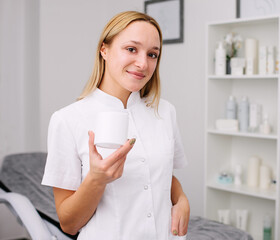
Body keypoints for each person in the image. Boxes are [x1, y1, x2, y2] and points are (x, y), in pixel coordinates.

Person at [42, 11, 190, 240]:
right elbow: (69, 224)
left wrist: (181, 200)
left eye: (152, 54)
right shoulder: (68, 120)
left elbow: (162, 174)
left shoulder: (165, 112)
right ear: (104, 50)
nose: (143, 63)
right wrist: (97, 179)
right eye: (131, 49)